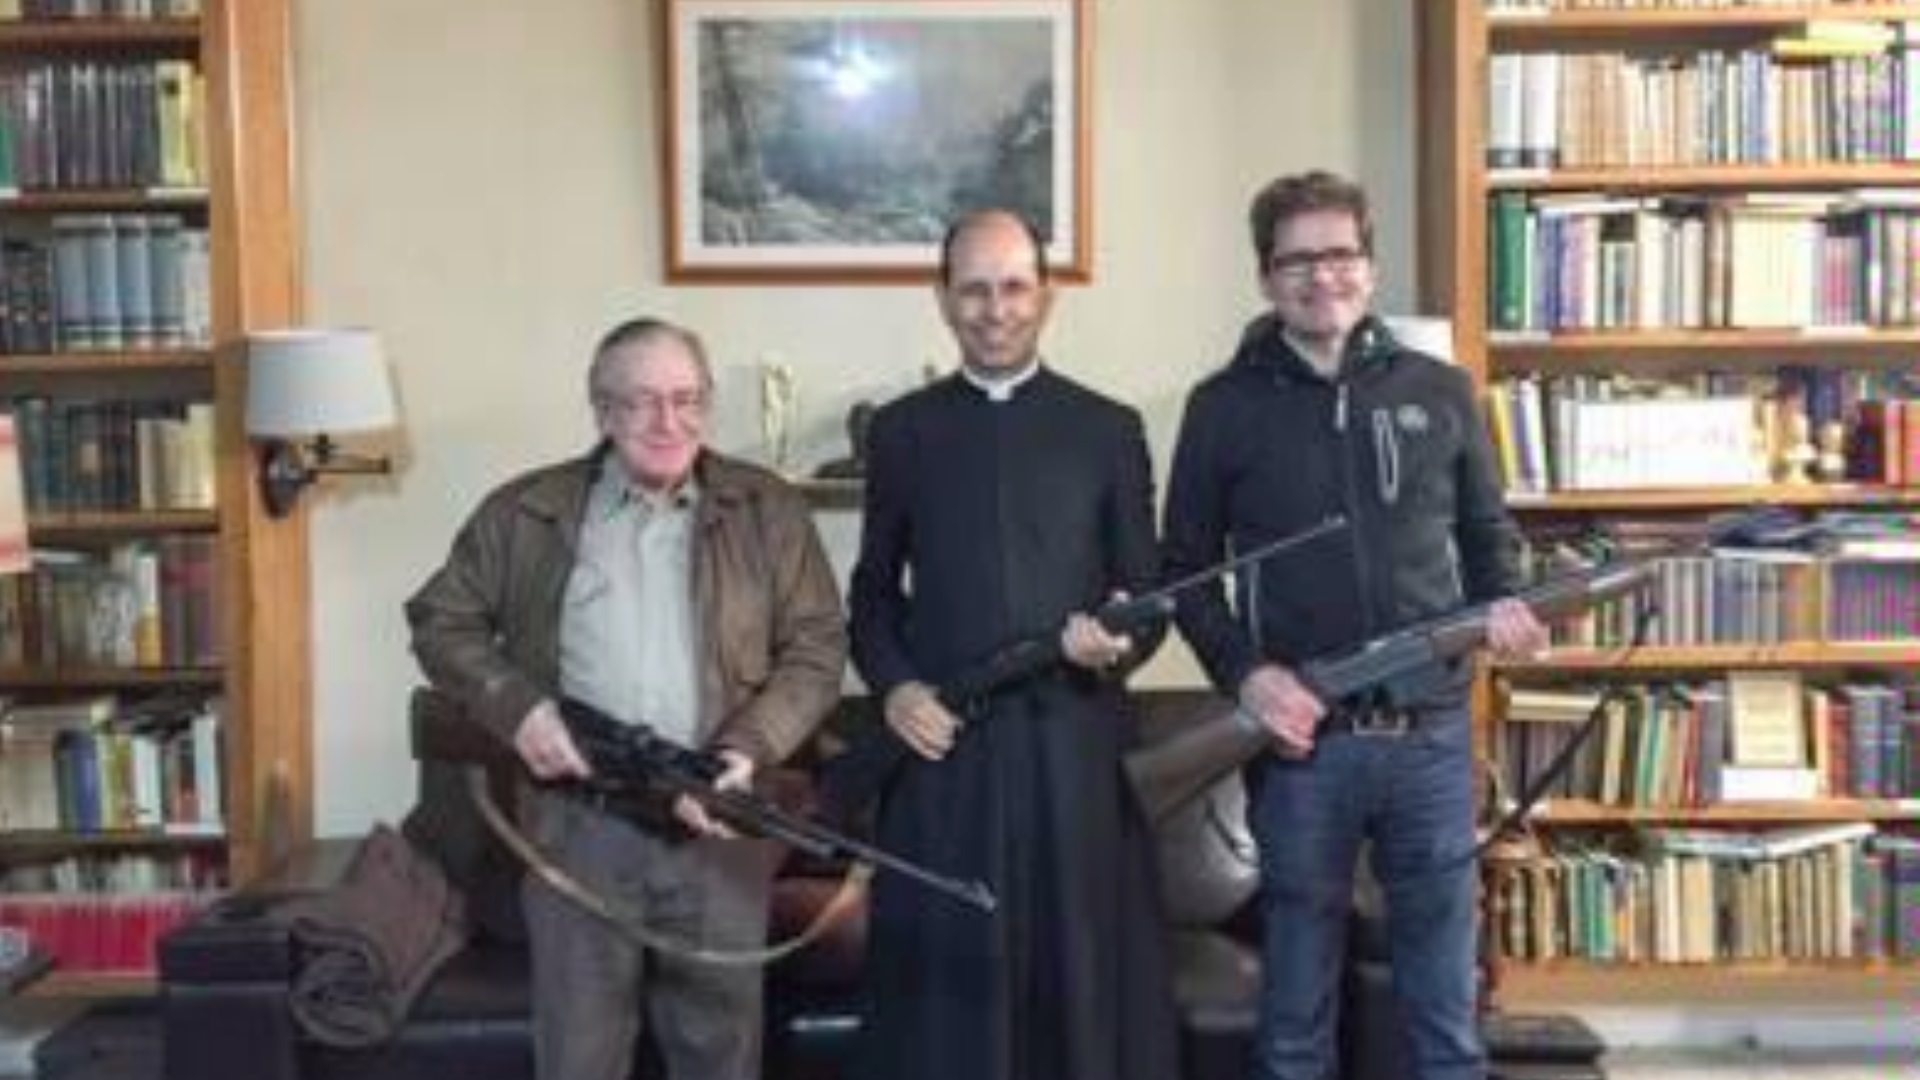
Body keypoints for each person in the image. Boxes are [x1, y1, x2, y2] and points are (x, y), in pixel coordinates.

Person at [1161, 171, 1548, 1080]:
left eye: (1338, 254)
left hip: (1433, 741)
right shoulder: (1221, 408)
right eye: (1295, 261)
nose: (1320, 276)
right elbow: (1185, 574)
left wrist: (1507, 606)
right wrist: (1250, 677)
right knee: (1295, 1021)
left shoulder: (1442, 390)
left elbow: (1488, 540)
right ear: (1266, 277)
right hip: (1304, 745)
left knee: (1447, 1018)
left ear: (1370, 267)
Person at [406, 317, 847, 1080]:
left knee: (721, 1057)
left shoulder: (769, 510)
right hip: (579, 826)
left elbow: (817, 648)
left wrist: (747, 749)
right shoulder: (525, 510)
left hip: (718, 829)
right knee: (581, 1058)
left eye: (686, 399)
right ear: (602, 410)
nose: (667, 422)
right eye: (641, 401)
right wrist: (519, 709)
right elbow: (440, 620)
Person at [847, 209, 1179, 1080]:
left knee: (1079, 982)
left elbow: (1147, 599)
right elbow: (873, 593)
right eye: (973, 291)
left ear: (1047, 295)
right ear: (942, 299)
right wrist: (896, 689)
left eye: (1014, 288)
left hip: (1074, 750)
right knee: (947, 994)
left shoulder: (1108, 429)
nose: (995, 310)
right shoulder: (901, 431)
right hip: (944, 752)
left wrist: (1117, 640)